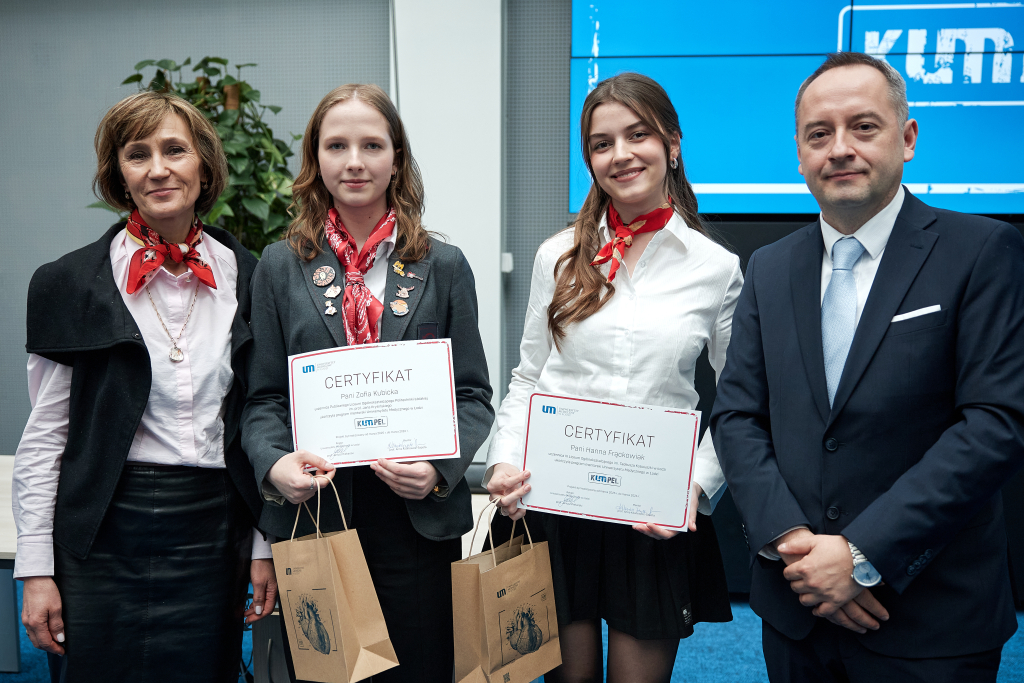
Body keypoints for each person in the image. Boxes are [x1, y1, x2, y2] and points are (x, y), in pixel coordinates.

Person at [710, 52, 1024, 682]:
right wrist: (795, 546)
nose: (840, 149)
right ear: (800, 155)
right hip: (796, 607)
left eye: (863, 127)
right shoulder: (770, 267)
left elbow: (995, 423)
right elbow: (737, 415)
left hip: (928, 618)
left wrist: (860, 553)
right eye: (818, 134)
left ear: (907, 138)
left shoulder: (981, 250)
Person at [485, 72, 739, 683]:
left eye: (638, 135)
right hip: (554, 502)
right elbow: (528, 377)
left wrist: (695, 487)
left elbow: (740, 402)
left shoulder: (715, 268)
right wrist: (504, 461)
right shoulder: (558, 255)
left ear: (672, 145)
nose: (621, 154)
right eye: (602, 144)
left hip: (652, 513)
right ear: (591, 162)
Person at [13, 91, 274, 682]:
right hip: (99, 534)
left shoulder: (252, 278)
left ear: (204, 164)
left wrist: (263, 545)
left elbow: (261, 421)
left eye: (175, 150)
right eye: (138, 154)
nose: (158, 169)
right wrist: (35, 568)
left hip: (214, 533)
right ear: (119, 175)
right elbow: (46, 437)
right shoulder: (67, 283)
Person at [241, 83, 494, 683]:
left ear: (396, 159)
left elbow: (472, 395)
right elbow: (264, 399)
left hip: (416, 519)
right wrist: (275, 463)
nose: (354, 161)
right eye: (337, 146)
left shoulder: (443, 265)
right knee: (327, 674)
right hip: (317, 511)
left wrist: (439, 468)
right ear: (316, 158)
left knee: (421, 670)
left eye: (372, 145)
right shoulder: (279, 265)